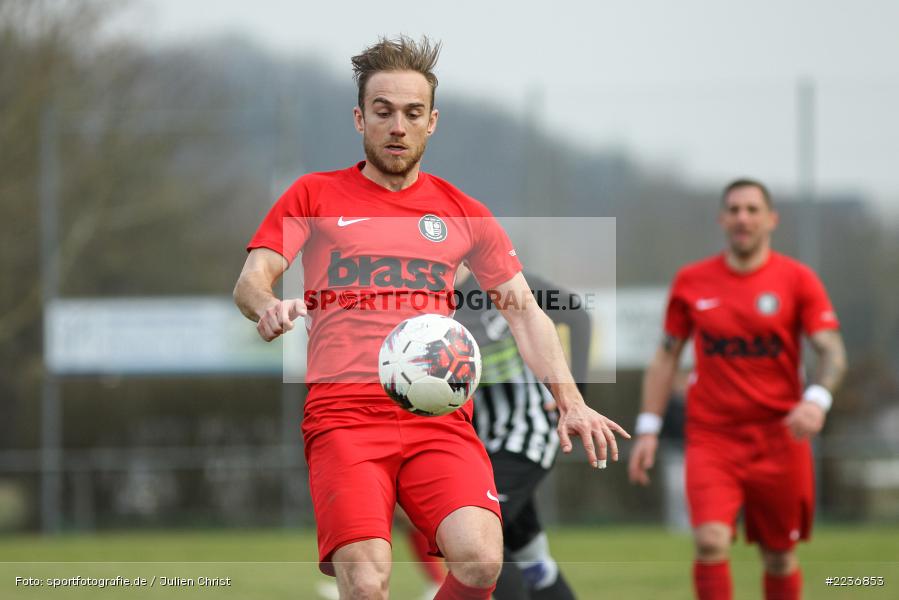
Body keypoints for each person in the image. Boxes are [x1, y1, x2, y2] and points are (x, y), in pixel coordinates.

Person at [233, 35, 629, 600]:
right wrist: (267, 306)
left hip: (439, 417)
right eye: (383, 111)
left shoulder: (464, 211)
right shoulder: (313, 195)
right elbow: (252, 277)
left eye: (412, 113)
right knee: (367, 582)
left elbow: (527, 315)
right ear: (359, 118)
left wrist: (571, 400)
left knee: (481, 561)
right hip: (345, 416)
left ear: (432, 122)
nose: (398, 125)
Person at [628, 179, 847, 600]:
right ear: (722, 219)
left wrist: (817, 401)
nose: (742, 218)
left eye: (751, 209)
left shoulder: (798, 280)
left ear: (771, 219)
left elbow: (832, 350)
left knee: (779, 554)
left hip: (781, 436)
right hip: (714, 436)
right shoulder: (692, 281)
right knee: (710, 540)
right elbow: (665, 358)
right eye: (733, 209)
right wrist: (649, 427)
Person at [454, 265, 584, 600]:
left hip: (527, 432)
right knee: (531, 559)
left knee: (480, 538)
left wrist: (575, 394)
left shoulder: (505, 285)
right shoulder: (430, 302)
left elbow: (578, 315)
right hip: (480, 446)